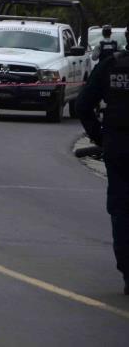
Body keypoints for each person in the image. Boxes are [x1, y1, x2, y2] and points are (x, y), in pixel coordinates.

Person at [76, 24, 129, 295]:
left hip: (118, 145)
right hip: (116, 144)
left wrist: (100, 138)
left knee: (121, 208)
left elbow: (82, 105)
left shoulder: (111, 65)